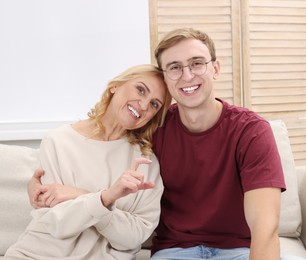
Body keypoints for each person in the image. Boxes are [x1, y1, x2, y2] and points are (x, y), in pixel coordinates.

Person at [27, 28, 288, 259]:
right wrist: (35, 184)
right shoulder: (152, 130)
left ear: (215, 69)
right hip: (174, 251)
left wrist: (79, 195)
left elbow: (265, 226)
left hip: (238, 250)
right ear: (167, 78)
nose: (187, 76)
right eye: (175, 67)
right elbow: (98, 151)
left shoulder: (251, 131)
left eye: (197, 63)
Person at [5, 64, 172, 260]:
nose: (143, 105)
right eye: (140, 89)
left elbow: (132, 237)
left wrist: (86, 196)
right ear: (115, 86)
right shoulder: (58, 141)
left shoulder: (145, 161)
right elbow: (58, 224)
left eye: (154, 104)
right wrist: (104, 199)